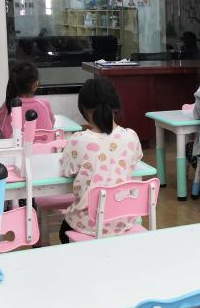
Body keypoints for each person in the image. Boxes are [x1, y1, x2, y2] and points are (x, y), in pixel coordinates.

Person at [58, 78, 142, 243]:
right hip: (122, 218)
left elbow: (66, 170)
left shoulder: (78, 140)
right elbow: (133, 162)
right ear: (115, 105)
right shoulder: (131, 136)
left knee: (63, 232)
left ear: (84, 109)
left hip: (88, 222)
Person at [0, 61, 56, 138]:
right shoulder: (45, 104)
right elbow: (51, 124)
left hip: (16, 145)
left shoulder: (9, 105)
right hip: (44, 146)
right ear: (36, 84)